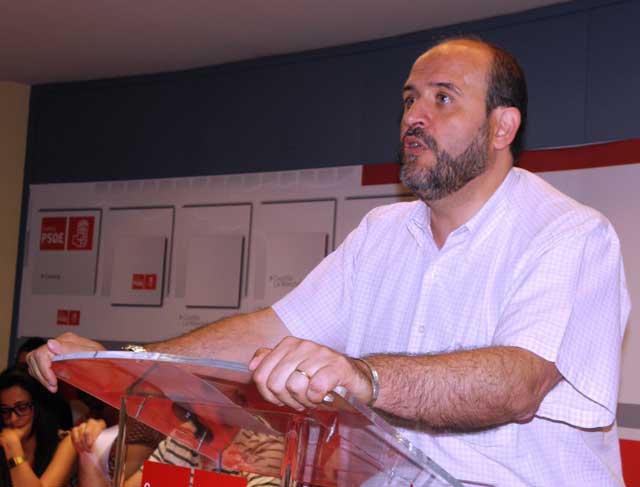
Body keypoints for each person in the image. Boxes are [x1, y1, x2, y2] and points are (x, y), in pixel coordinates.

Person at [27, 37, 630, 486]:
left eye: (443, 98)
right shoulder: (382, 233)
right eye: (410, 99)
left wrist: (364, 377)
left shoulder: (569, 234)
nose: (414, 117)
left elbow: (519, 384)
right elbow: (272, 330)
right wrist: (122, 362)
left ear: (502, 127)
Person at [0, 367, 105, 487]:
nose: (13, 418)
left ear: (38, 408)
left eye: (22, 408)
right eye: (5, 410)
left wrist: (13, 450)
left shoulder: (67, 442)